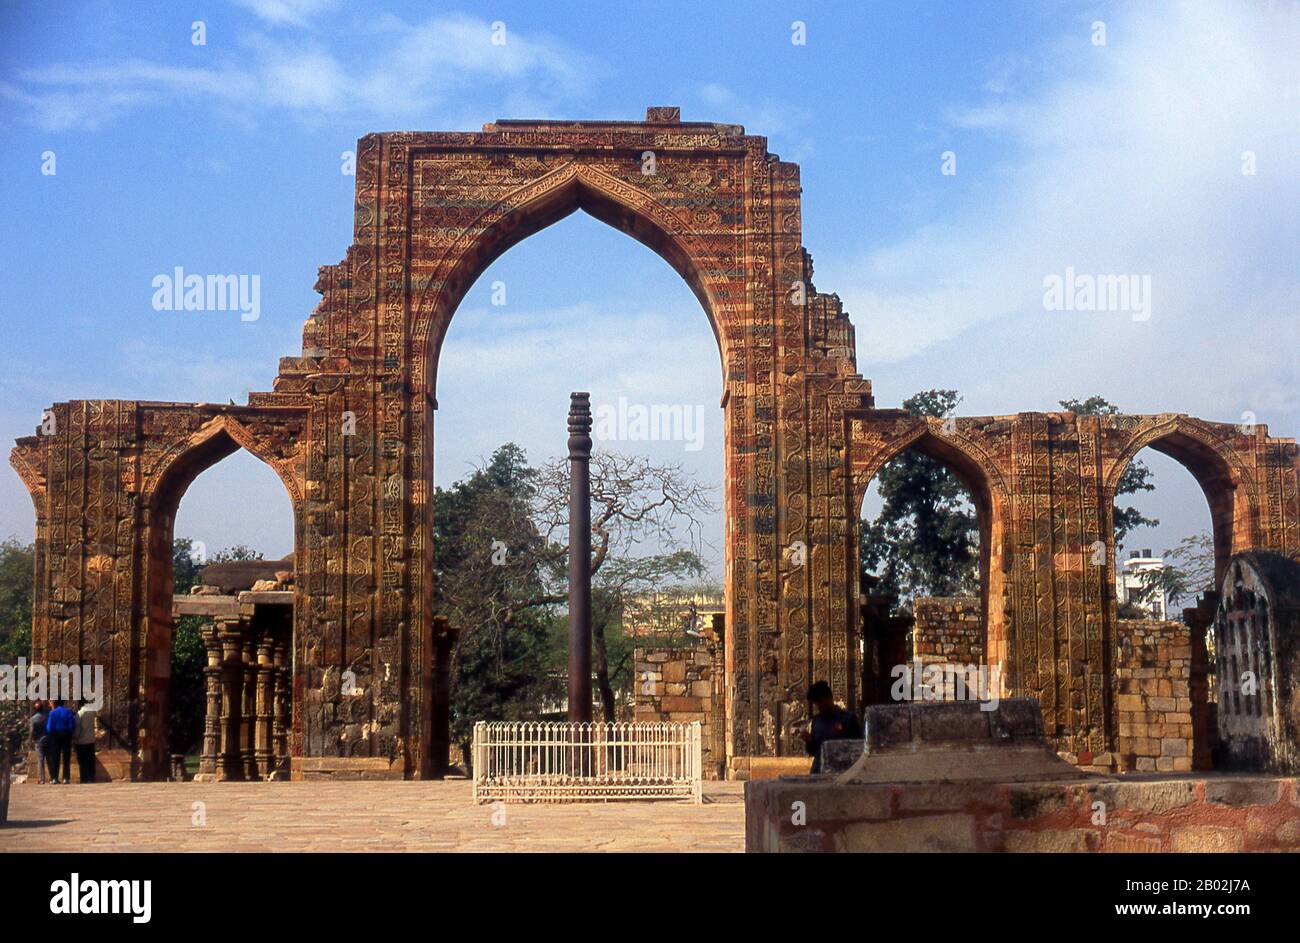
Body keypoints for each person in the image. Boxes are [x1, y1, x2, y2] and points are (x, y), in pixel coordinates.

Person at [801, 680, 862, 774]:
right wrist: (808, 740)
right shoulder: (816, 721)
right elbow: (814, 751)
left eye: (821, 701)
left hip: (841, 770)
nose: (819, 705)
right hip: (820, 771)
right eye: (816, 703)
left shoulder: (847, 719)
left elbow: (858, 747)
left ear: (830, 698)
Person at [45, 699, 77, 784]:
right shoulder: (68, 712)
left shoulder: (52, 713)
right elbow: (72, 725)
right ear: (63, 703)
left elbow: (49, 727)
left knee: (55, 757)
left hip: (55, 736)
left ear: (55, 703)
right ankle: (66, 778)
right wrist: (70, 732)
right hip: (66, 736)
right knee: (66, 757)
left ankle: (54, 778)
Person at [74, 699, 98, 784]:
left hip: (81, 741)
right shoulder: (92, 712)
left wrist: (75, 738)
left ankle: (84, 778)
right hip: (91, 740)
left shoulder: (79, 714)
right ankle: (91, 777)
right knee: (90, 759)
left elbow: (77, 729)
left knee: (82, 761)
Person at [28, 700, 50, 784]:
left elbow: (31, 731)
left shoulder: (33, 719)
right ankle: (52, 778)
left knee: (40, 760)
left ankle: (42, 779)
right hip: (48, 739)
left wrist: (30, 740)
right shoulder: (47, 716)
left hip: (38, 741)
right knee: (49, 759)